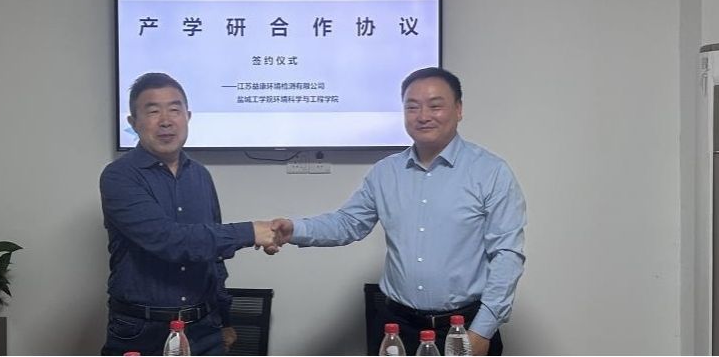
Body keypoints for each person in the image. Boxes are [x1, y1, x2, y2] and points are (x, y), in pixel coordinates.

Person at [269, 67, 526, 356]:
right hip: (397, 328)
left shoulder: (491, 172)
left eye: (435, 106)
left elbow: (507, 254)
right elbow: (348, 223)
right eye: (412, 107)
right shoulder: (385, 172)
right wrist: (295, 229)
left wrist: (482, 329)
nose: (423, 116)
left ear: (459, 109)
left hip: (462, 327)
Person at [100, 72, 276, 356]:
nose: (166, 120)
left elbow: (214, 258)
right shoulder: (119, 176)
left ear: (188, 117)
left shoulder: (200, 176)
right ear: (133, 122)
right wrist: (251, 231)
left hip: (204, 328)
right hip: (141, 330)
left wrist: (224, 319)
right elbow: (168, 240)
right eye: (153, 111)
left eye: (174, 109)